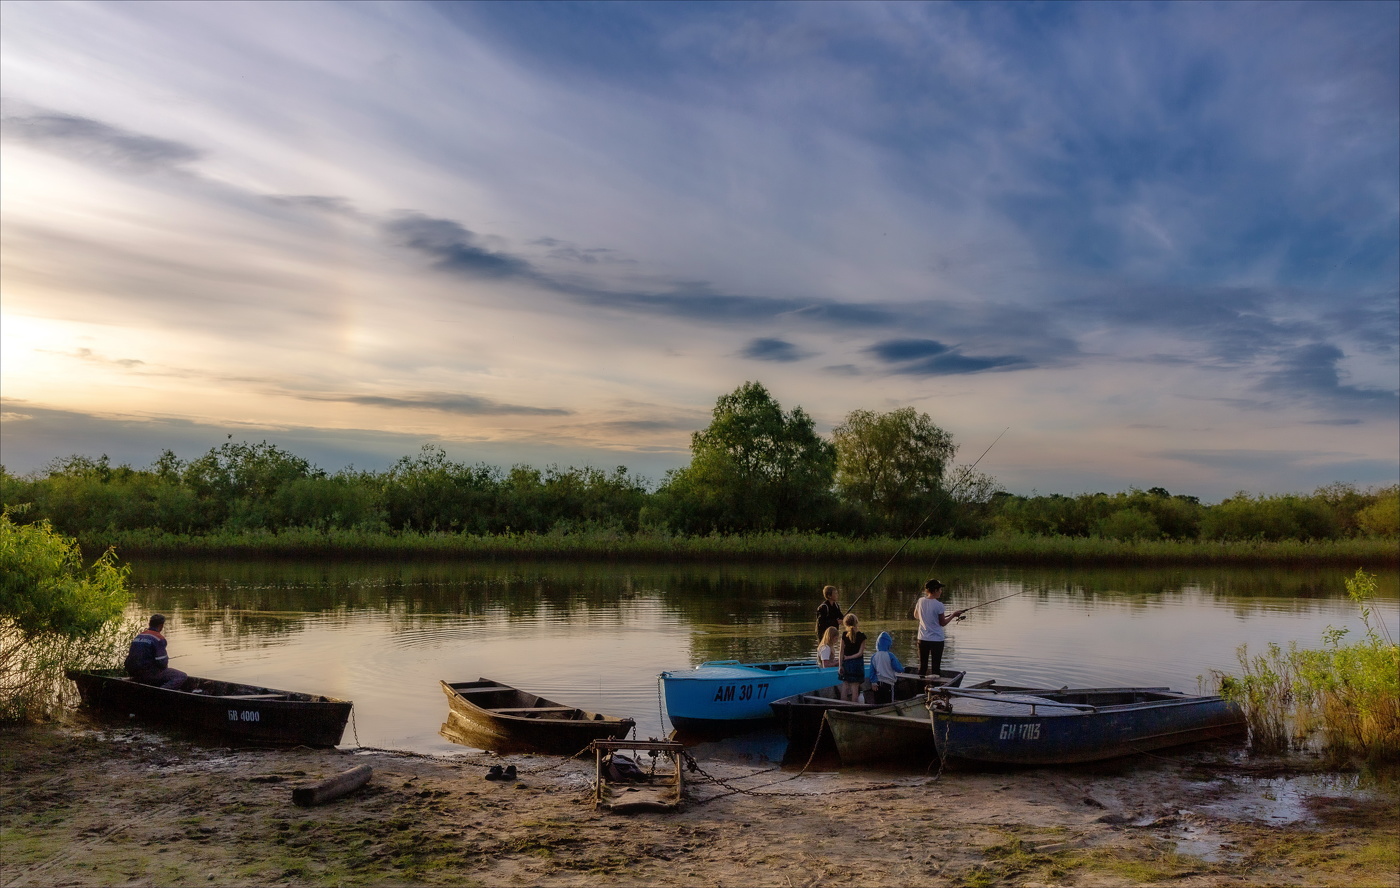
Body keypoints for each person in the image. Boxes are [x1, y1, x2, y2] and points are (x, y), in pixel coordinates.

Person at [913, 579, 965, 678]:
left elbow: (916, 615)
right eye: (940, 589)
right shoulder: (939, 605)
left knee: (922, 667)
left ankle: (920, 690)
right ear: (935, 590)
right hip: (936, 640)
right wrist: (953, 615)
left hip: (922, 639)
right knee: (935, 669)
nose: (941, 591)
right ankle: (934, 691)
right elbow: (943, 623)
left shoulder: (920, 601)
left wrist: (927, 618)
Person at [124, 614, 187, 690]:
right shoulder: (158, 638)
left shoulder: (139, 636)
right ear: (161, 625)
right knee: (181, 676)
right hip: (147, 673)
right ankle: (160, 693)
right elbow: (162, 662)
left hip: (133, 671)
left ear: (149, 624)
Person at [866, 631, 905, 704]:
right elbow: (898, 668)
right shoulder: (890, 655)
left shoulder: (874, 656)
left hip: (877, 684)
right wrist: (903, 670)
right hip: (889, 684)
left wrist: (873, 682)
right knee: (889, 703)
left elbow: (872, 671)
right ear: (889, 644)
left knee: (878, 703)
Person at [838, 613, 867, 702]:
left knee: (845, 686)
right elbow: (860, 653)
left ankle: (842, 707)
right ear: (857, 623)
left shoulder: (844, 635)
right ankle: (853, 708)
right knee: (855, 689)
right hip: (857, 664)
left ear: (845, 624)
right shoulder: (862, 636)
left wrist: (840, 665)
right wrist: (850, 657)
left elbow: (841, 651)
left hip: (846, 664)